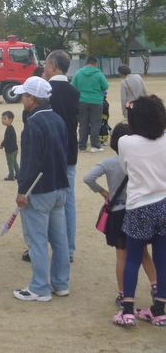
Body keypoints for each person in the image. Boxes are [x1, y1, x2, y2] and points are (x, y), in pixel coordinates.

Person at [82, 123, 157, 308]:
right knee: (143, 253)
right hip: (137, 209)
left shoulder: (109, 163)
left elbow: (88, 178)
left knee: (122, 256)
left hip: (117, 212)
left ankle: (123, 295)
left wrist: (102, 191)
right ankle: (156, 287)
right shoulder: (140, 160)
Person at [11, 76, 70, 302]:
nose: (22, 99)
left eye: (24, 95)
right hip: (59, 188)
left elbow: (29, 163)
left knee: (37, 241)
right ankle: (61, 284)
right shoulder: (58, 119)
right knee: (59, 240)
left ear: (31, 98)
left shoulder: (33, 124)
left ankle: (39, 288)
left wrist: (21, 190)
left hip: (40, 191)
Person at [112, 95, 166, 326]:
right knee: (162, 259)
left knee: (133, 257)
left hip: (139, 206)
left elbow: (125, 166)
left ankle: (127, 310)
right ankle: (159, 309)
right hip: (164, 202)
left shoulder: (126, 142)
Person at [31, 49, 79, 263]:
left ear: (52, 66)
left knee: (42, 203)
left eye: (45, 64)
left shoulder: (47, 90)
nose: (43, 67)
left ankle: (41, 247)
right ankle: (67, 249)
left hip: (49, 154)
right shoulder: (73, 90)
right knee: (67, 202)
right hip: (70, 152)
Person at [71, 56, 109, 153]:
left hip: (81, 101)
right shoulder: (98, 73)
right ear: (94, 64)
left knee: (83, 124)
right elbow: (105, 86)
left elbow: (73, 86)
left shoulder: (78, 73)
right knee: (95, 124)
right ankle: (95, 145)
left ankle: (82, 146)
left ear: (86, 63)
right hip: (95, 101)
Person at [0, 110, 19, 181]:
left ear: (10, 120)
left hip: (10, 150)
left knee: (10, 162)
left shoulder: (9, 129)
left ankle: (11, 175)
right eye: (2, 118)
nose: (3, 120)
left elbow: (6, 139)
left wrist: (2, 145)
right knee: (14, 161)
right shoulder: (11, 128)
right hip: (15, 148)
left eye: (5, 118)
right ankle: (18, 174)